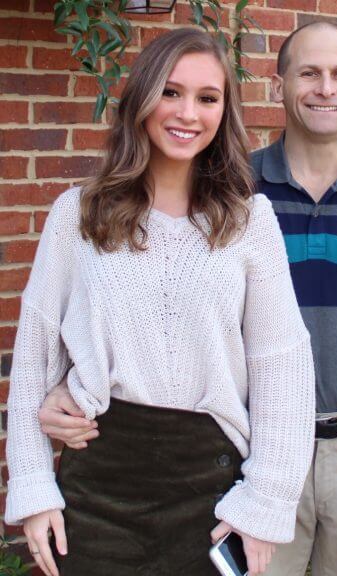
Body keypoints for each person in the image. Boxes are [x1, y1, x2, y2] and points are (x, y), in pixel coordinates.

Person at [37, 22, 337, 576]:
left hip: (322, 450)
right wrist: (71, 387)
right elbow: (81, 328)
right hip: (176, 460)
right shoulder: (220, 191)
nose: (325, 88)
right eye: (308, 72)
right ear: (277, 87)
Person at [6, 28, 315, 576]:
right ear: (142, 99)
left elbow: (283, 367)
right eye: (170, 92)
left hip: (213, 493)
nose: (187, 113)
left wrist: (265, 502)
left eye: (207, 97)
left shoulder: (250, 225)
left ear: (225, 111)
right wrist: (34, 488)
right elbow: (33, 359)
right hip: (100, 483)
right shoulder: (76, 216)